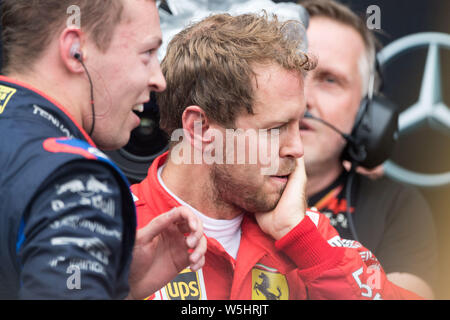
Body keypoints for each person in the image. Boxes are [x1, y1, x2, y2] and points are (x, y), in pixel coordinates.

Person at [131, 12, 424, 300]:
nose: (297, 149)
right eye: (276, 129)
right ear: (200, 128)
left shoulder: (305, 232)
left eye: (298, 124)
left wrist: (301, 239)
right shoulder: (117, 225)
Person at [0, 0, 206, 300]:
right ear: (75, 51)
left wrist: (110, 280)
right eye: (147, 53)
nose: (159, 80)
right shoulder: (76, 178)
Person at [298, 0, 437, 299]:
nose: (303, 98)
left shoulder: (396, 206)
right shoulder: (211, 184)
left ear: (367, 113)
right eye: (292, 70)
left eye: (329, 80)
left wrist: (298, 234)